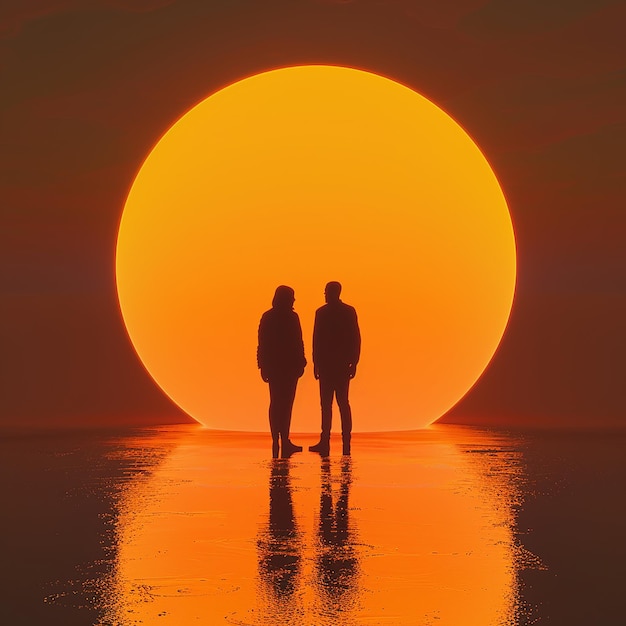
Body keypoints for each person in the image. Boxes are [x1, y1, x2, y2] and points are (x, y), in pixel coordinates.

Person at [309, 281, 361, 456]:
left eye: (326, 291)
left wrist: (316, 362)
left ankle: (327, 440)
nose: (325, 294)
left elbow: (317, 340)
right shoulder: (347, 311)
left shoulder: (322, 313)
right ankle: (343, 440)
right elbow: (355, 338)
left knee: (330, 404)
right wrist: (354, 361)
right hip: (338, 364)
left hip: (329, 365)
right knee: (341, 403)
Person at [257, 285, 307, 458]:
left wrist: (262, 365)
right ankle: (282, 439)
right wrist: (301, 362)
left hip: (281, 367)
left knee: (279, 403)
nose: (294, 300)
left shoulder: (269, 317)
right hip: (286, 367)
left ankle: (279, 440)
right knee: (284, 404)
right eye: (292, 297)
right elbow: (296, 341)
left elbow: (262, 343)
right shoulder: (290, 317)